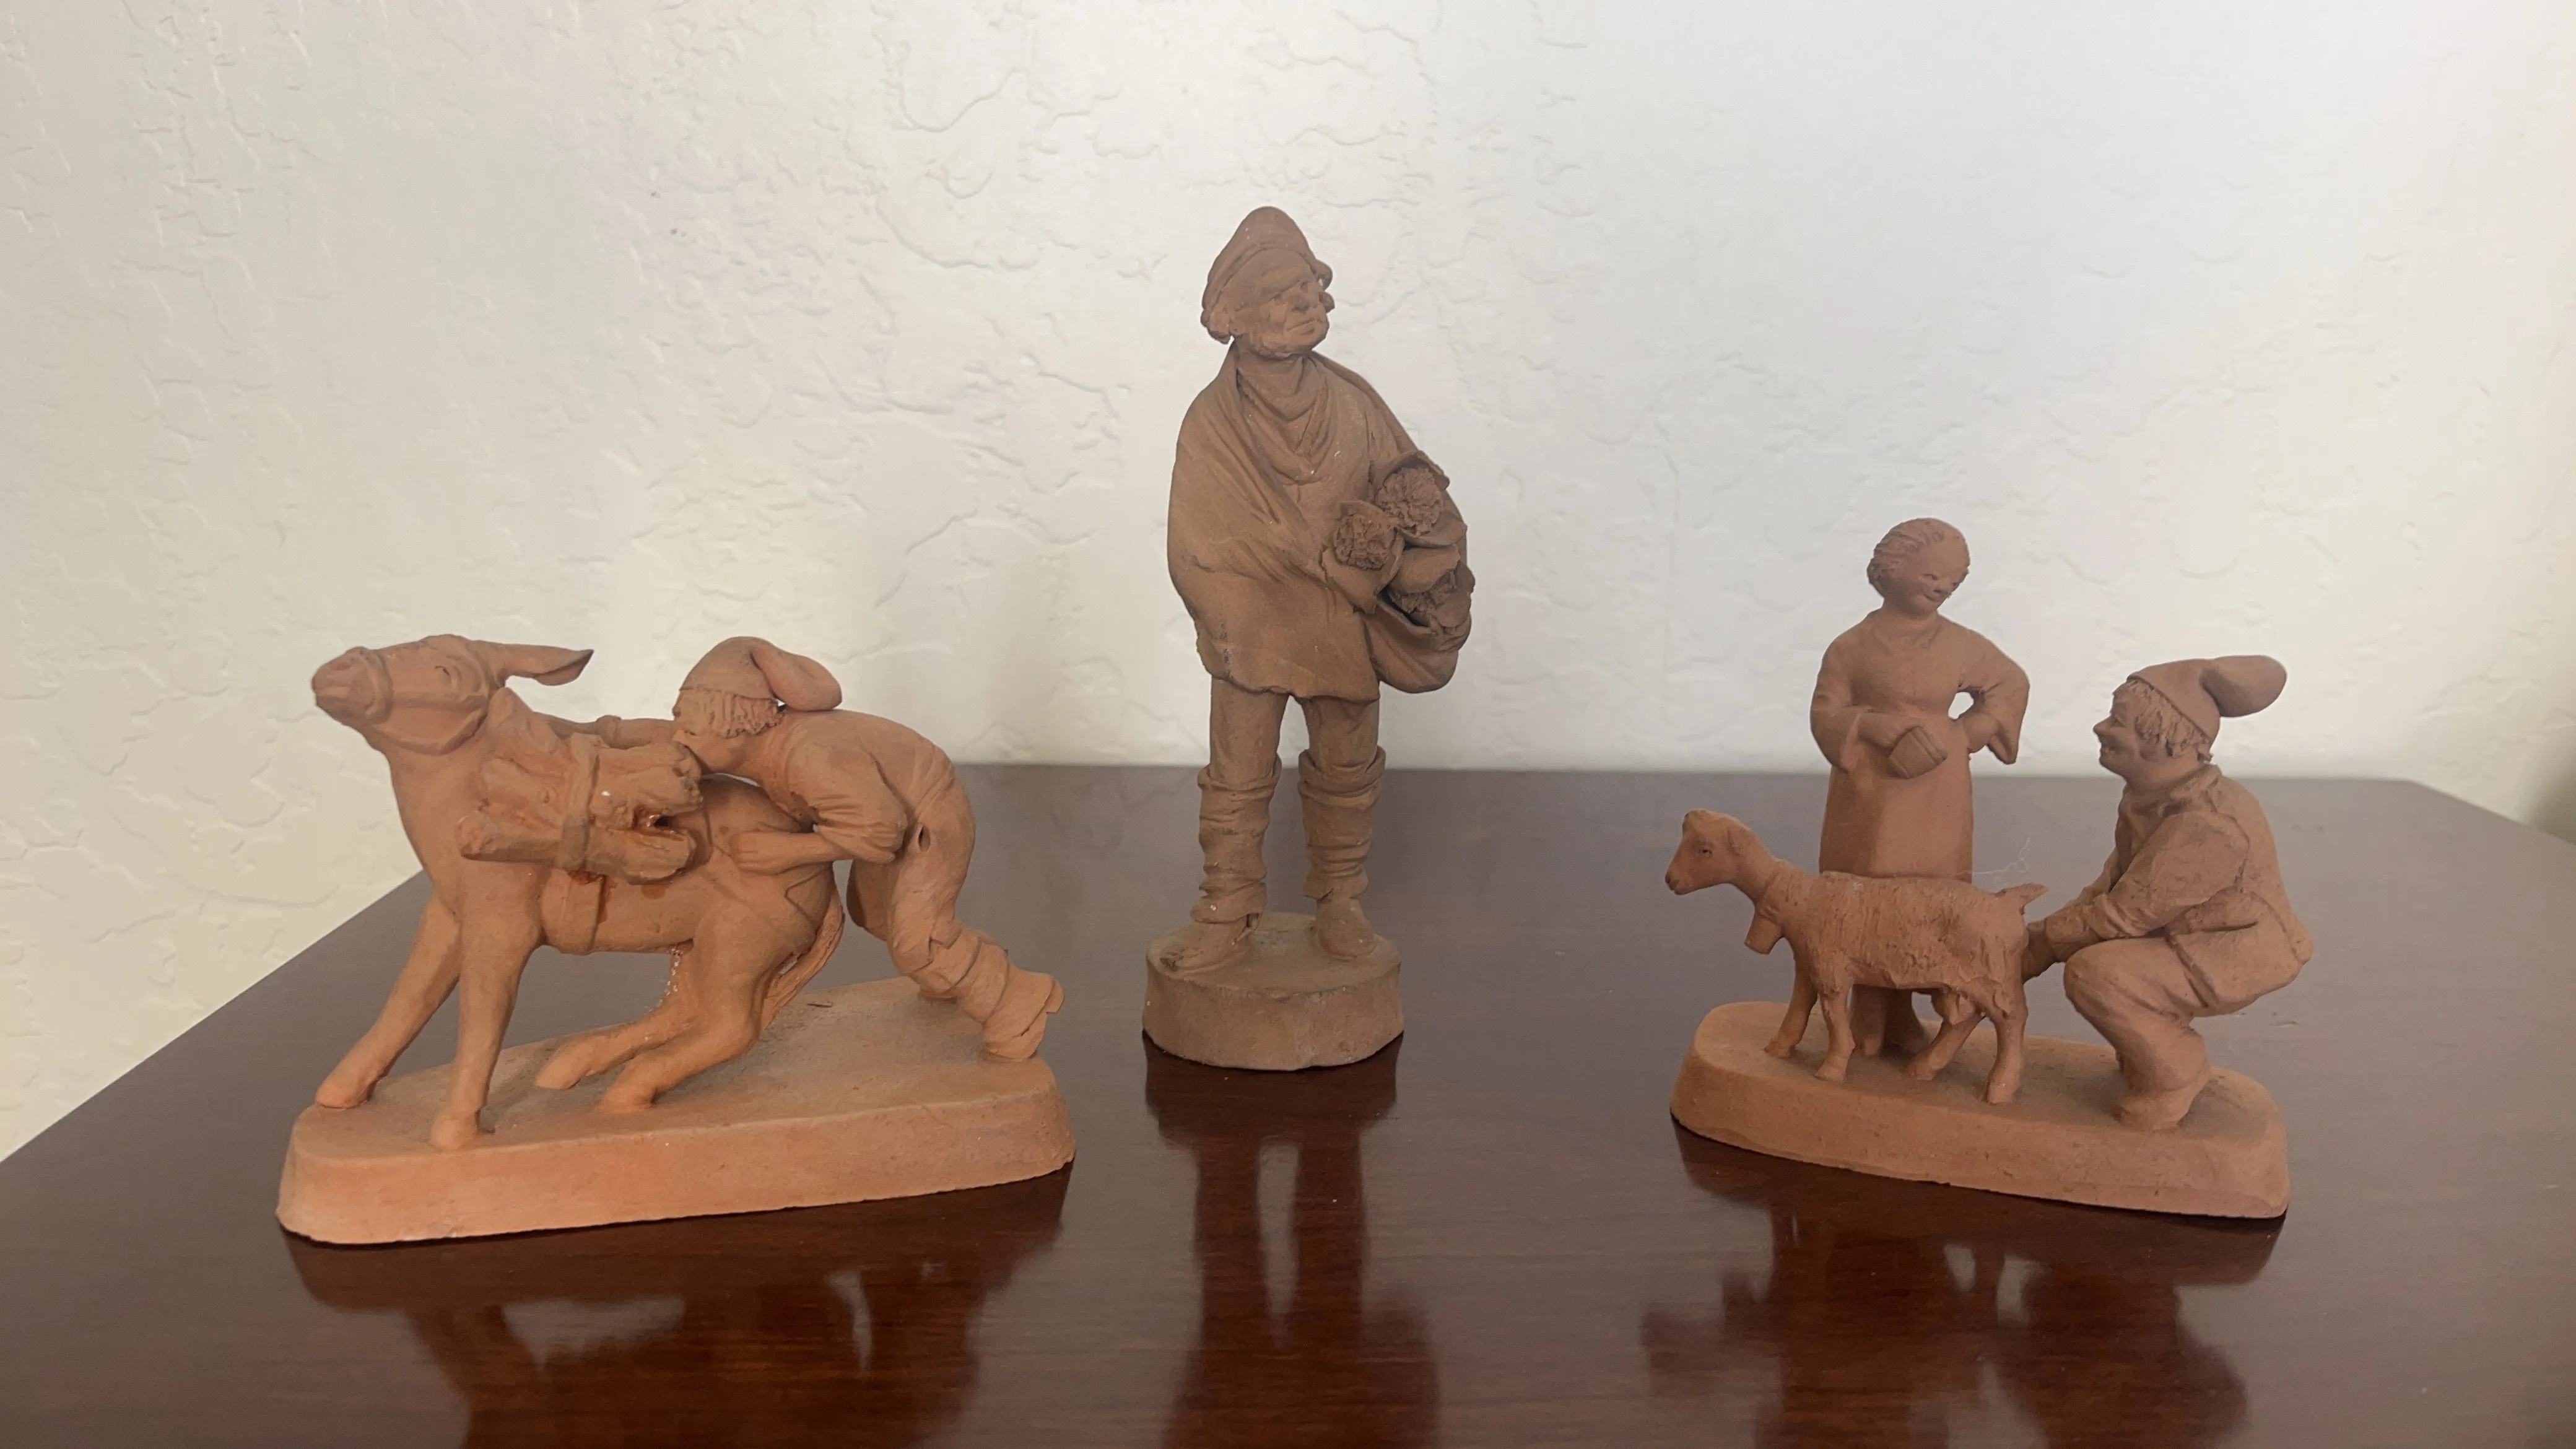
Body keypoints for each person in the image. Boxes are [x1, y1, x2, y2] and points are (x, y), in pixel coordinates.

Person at [1160, 207, 1473, 973]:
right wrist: (1271, 582)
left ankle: (1339, 898)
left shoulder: (1354, 403)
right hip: (1253, 631)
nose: (1302, 303)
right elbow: (1196, 547)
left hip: (1344, 622)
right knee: (1236, 776)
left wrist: (1393, 560)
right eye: (1279, 294)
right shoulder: (1210, 424)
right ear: (1235, 316)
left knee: (1345, 770)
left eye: (1307, 287)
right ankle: (1226, 905)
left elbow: (1415, 492)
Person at [605, 637, 1061, 1060]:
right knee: (877, 917)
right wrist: (598, 733)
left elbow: (881, 833)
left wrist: (787, 850)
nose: (679, 742)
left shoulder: (810, 757)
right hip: (889, 813)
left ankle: (1017, 1001)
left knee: (918, 944)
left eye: (690, 732)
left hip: (926, 818)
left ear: (737, 728)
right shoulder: (757, 744)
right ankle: (965, 966)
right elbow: (663, 735)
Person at [2025, 656, 2310, 1129]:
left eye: (2118, 721)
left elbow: (2124, 914)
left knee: (2099, 974)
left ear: (2165, 740)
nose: (2101, 728)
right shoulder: (2149, 799)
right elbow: (2111, 885)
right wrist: (2038, 938)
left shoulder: (2207, 824)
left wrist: (2041, 945)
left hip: (2231, 948)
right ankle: (2147, 1052)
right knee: (2102, 959)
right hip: (2182, 931)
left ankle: (2175, 1070)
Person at [1809, 518, 2028, 1053]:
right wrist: (1874, 728)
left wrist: (1965, 734)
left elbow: (2010, 683)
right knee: (1868, 897)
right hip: (1871, 791)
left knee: (1929, 900)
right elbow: (1825, 713)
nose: (1943, 587)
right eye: (1932, 575)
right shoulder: (1851, 647)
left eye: (1955, 580)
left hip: (1937, 793)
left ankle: (1905, 1011)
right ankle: (1868, 1013)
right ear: (1891, 569)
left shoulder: (1959, 644)